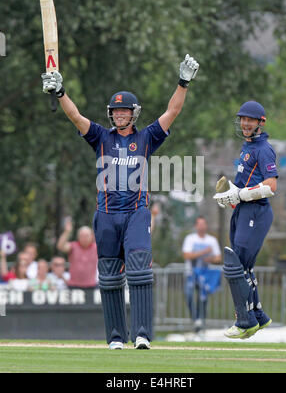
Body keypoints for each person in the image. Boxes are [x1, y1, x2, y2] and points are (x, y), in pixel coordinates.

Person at [42, 54, 199, 350]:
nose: (120, 115)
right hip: (105, 215)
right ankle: (115, 337)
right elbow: (76, 116)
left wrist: (183, 83)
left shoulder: (147, 137)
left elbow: (172, 111)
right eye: (116, 111)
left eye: (125, 111)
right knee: (111, 277)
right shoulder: (100, 136)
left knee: (140, 270)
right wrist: (61, 93)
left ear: (134, 113)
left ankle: (142, 334)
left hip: (136, 213)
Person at [213, 101, 278, 339]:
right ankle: (258, 315)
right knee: (243, 267)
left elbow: (271, 186)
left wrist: (239, 194)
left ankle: (245, 321)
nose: (245, 123)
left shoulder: (264, 149)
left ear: (261, 122)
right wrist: (230, 196)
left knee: (236, 266)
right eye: (242, 119)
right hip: (243, 210)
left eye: (250, 120)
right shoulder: (247, 146)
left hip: (257, 211)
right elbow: (246, 185)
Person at [182, 216, 221, 332]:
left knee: (202, 298)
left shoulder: (212, 240)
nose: (202, 226)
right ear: (196, 226)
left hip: (204, 274)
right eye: (199, 224)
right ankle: (195, 319)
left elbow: (218, 258)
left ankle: (200, 321)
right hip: (191, 273)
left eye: (203, 224)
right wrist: (204, 252)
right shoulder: (190, 239)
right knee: (189, 295)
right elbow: (186, 255)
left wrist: (210, 259)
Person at [57, 217, 98, 289]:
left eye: (87, 236)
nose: (84, 238)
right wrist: (67, 232)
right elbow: (60, 246)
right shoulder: (73, 246)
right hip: (73, 285)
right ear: (78, 237)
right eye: (82, 236)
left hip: (91, 286)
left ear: (92, 237)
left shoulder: (96, 248)